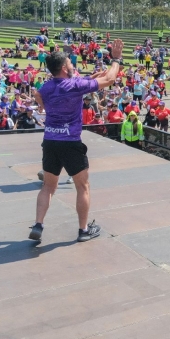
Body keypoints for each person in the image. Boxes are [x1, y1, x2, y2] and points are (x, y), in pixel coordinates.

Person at [28, 38, 125, 243]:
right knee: (82, 186)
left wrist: (43, 106)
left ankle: (38, 224)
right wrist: (116, 59)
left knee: (48, 187)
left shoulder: (46, 87)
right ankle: (83, 230)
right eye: (70, 63)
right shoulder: (75, 85)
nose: (73, 65)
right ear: (64, 68)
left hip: (50, 140)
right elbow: (109, 79)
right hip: (70, 142)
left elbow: (38, 95)